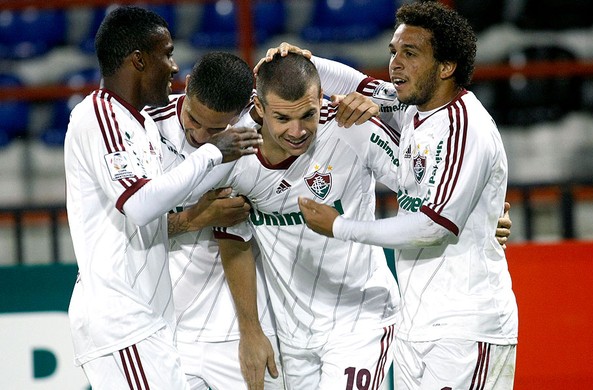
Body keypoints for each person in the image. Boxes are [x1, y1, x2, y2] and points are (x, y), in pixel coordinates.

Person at [291, 2, 518, 389]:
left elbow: (433, 226)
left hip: (465, 326)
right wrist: (302, 60)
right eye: (393, 52)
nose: (395, 63)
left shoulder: (466, 125)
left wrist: (341, 226)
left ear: (445, 67)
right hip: (416, 323)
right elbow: (357, 84)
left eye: (409, 54)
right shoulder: (412, 105)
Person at [64, 6, 262, 389]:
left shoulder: (140, 126)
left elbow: (175, 193)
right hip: (123, 321)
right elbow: (140, 206)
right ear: (139, 60)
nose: (174, 67)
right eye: (166, 53)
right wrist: (214, 151)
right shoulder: (99, 115)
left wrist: (248, 126)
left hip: (147, 323)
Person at [212, 52, 402, 389]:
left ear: (321, 98)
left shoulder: (350, 126)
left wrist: (485, 217)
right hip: (293, 335)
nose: (297, 131)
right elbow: (233, 238)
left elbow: (424, 181)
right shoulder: (234, 154)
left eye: (308, 115)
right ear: (258, 107)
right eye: (283, 118)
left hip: (360, 319)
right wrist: (251, 330)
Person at [145, 51, 285, 389]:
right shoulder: (144, 129)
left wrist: (251, 331)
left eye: (217, 129)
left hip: (236, 329)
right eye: (194, 119)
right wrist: (193, 219)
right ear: (188, 85)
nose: (202, 136)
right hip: (162, 330)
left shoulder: (261, 134)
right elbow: (124, 226)